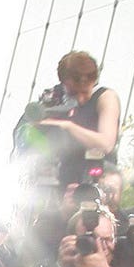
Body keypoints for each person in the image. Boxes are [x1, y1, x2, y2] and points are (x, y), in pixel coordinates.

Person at [38, 51, 121, 188]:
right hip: (65, 177)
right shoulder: (58, 100)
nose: (80, 99)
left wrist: (69, 127)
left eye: (84, 92)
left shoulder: (106, 97)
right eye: (73, 93)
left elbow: (106, 143)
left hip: (97, 178)